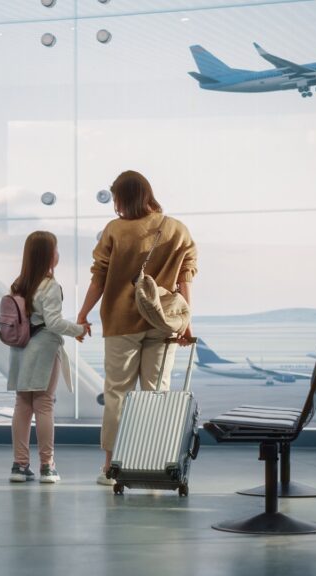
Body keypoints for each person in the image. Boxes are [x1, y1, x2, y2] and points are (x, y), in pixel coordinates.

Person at [75, 171, 198, 485]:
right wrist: (186, 322)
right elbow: (185, 280)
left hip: (120, 321)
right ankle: (155, 461)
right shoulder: (177, 229)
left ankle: (110, 467)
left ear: (121, 198)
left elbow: (99, 277)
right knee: (156, 394)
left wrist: (83, 313)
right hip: (164, 322)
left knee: (118, 393)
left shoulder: (115, 230)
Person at [6, 231, 90, 484]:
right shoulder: (50, 286)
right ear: (48, 256)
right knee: (44, 405)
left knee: (22, 406)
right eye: (55, 249)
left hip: (20, 350)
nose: (58, 254)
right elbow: (53, 323)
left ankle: (19, 466)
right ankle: (47, 466)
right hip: (43, 350)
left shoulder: (17, 284)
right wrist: (79, 330)